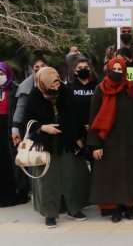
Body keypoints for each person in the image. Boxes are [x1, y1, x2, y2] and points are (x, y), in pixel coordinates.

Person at [22, 67, 90, 228]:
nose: (56, 86)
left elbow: (77, 118)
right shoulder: (35, 96)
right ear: (43, 82)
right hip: (46, 145)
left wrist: (80, 139)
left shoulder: (67, 93)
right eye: (52, 83)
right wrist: (44, 128)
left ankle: (74, 209)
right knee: (48, 181)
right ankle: (50, 213)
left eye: (57, 81)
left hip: (67, 143)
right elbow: (28, 120)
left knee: (71, 177)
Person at [88, 58, 133, 223]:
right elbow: (93, 118)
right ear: (108, 69)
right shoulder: (100, 90)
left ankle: (129, 207)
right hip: (108, 141)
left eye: (120, 68)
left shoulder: (132, 89)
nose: (117, 71)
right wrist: (95, 145)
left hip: (129, 139)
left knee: (129, 174)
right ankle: (115, 209)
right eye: (113, 68)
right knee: (112, 176)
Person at [0, 62, 29, 207]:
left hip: (11, 128)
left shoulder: (15, 89)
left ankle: (18, 191)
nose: (0, 77)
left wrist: (17, 129)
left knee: (13, 160)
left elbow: (20, 110)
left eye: (1, 74)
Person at [12, 57, 48, 145]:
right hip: (33, 129)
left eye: (43, 65)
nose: (40, 69)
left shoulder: (57, 82)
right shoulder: (26, 86)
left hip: (54, 127)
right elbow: (20, 110)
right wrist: (15, 130)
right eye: (37, 67)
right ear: (33, 69)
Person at [67, 58, 99, 130]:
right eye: (80, 68)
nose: (83, 69)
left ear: (90, 69)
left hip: (94, 126)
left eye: (86, 67)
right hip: (75, 127)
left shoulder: (97, 86)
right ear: (75, 71)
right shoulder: (69, 87)